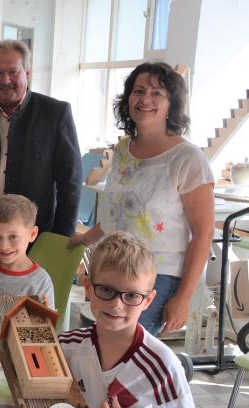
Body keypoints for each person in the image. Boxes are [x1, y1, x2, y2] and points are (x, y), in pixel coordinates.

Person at [69, 62, 214, 336]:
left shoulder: (188, 158)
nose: (145, 98)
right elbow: (118, 215)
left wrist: (183, 298)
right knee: (112, 351)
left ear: (172, 103)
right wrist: (83, 239)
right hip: (114, 270)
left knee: (127, 356)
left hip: (158, 277)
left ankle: (169, 374)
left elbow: (204, 234)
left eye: (157, 93)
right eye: (138, 90)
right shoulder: (124, 149)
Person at [59, 232, 198, 408]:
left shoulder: (161, 362)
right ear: (87, 287)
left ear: (148, 301)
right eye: (105, 290)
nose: (116, 305)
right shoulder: (67, 346)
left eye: (131, 295)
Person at [0, 39, 82, 247]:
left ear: (28, 73)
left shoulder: (55, 113)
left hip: (34, 236)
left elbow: (70, 181)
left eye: (13, 72)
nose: (5, 80)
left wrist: (60, 239)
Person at [0, 194, 54, 337]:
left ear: (32, 234)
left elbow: (42, 336)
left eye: (13, 237)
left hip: (6, 356)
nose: (4, 246)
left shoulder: (40, 282)